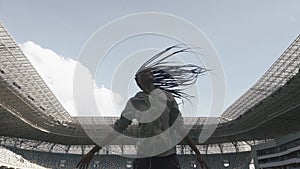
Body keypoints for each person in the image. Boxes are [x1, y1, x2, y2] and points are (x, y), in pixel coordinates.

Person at [77, 45, 210, 169]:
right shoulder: (134, 102)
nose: (147, 73)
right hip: (144, 158)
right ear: (138, 81)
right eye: (143, 73)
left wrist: (197, 153)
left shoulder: (168, 98)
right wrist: (92, 152)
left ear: (152, 76)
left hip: (167, 157)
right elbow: (118, 129)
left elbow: (179, 127)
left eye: (149, 72)